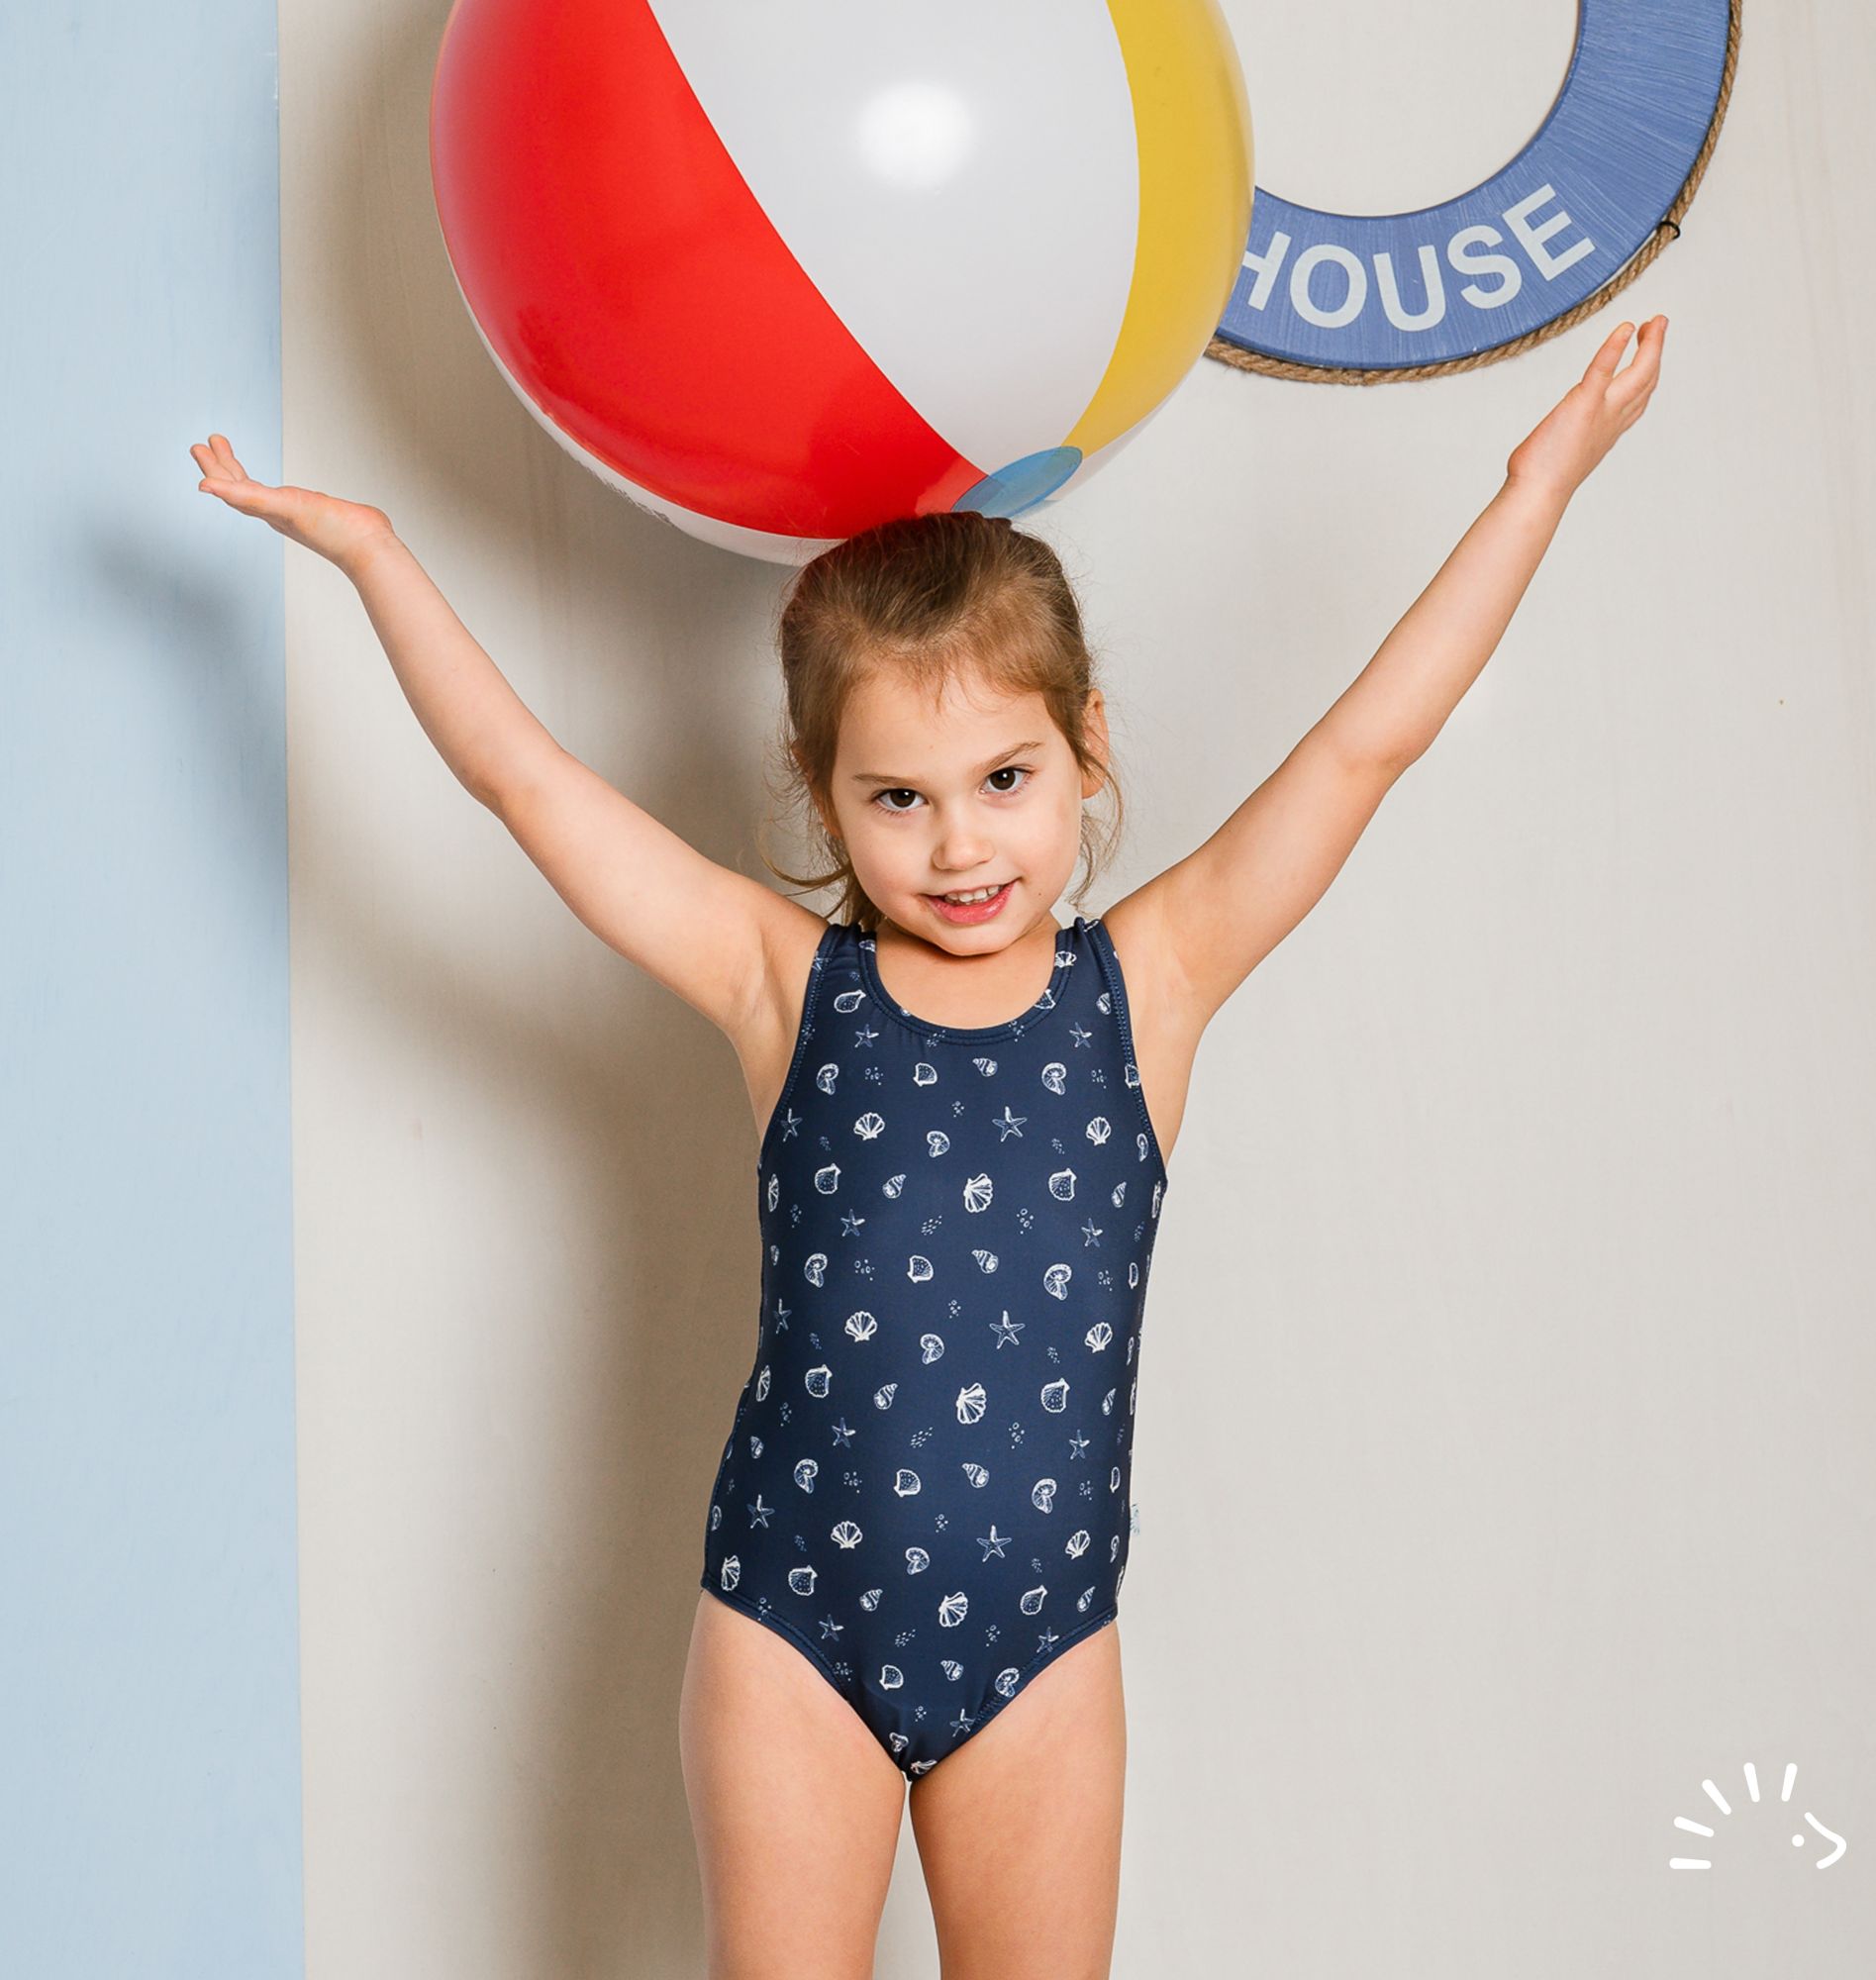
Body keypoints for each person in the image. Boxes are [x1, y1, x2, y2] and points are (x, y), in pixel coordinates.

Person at [191, 312, 1666, 1978]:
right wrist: (375, 556)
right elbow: (527, 786)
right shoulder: (781, 984)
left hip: (1043, 1652)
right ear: (822, 793)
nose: (961, 844)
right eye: (899, 798)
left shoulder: (1151, 986)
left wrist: (1537, 487)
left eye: (1004, 778)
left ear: (1086, 745)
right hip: (790, 1628)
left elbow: (1363, 745)